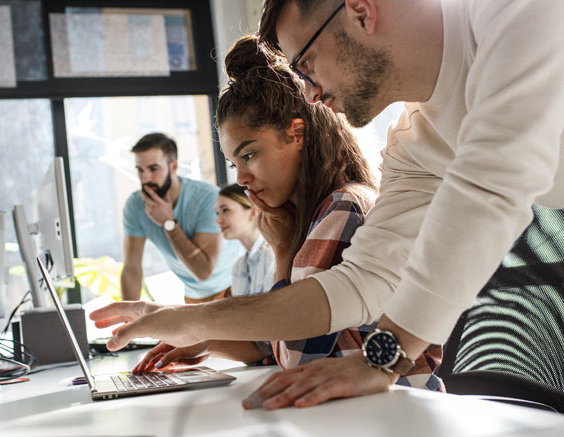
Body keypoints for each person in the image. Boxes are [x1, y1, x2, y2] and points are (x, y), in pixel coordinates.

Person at [94, 0, 563, 409]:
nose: (310, 92)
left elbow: (491, 185)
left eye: (306, 63)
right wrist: (191, 321)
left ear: (360, 11)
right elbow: (361, 282)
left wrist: (383, 360)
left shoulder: (514, 11)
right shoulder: (416, 143)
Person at [111, 37, 442, 392]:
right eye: (233, 163)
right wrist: (208, 340)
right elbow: (275, 342)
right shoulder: (315, 213)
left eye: (249, 155)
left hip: (405, 408)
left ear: (296, 133)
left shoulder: (343, 207)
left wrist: (282, 253)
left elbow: (296, 356)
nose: (240, 178)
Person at [121, 132, 242, 304]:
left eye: (153, 169)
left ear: (173, 167)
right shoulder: (135, 206)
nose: (145, 178)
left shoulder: (207, 198)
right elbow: (132, 269)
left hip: (235, 287)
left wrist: (168, 223)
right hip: (195, 297)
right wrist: (127, 318)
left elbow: (203, 271)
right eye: (140, 170)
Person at [216, 184, 275, 297]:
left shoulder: (273, 257)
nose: (218, 220)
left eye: (226, 210)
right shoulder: (238, 267)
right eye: (217, 213)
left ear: (253, 212)